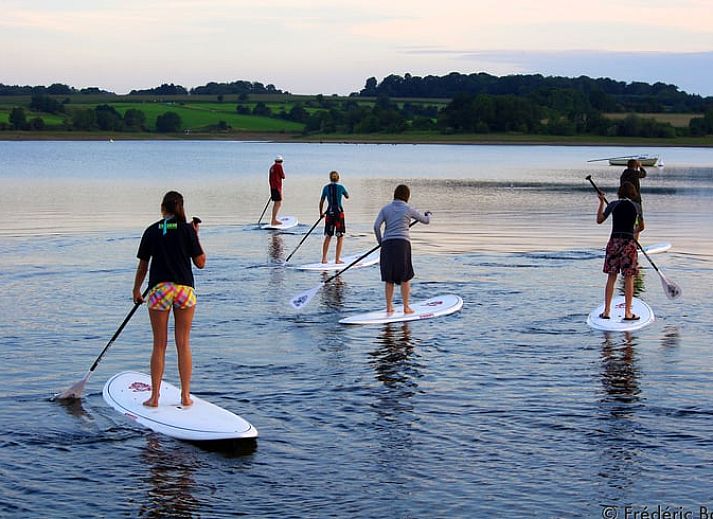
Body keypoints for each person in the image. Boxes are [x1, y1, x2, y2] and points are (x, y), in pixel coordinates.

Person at [132, 191, 206, 408]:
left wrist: (137, 289)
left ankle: (154, 397)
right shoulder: (187, 230)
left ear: (163, 207)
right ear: (181, 207)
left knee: (159, 344)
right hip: (184, 289)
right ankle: (185, 396)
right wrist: (196, 235)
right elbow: (200, 263)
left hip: (159, 289)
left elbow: (143, 265)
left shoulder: (152, 230)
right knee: (183, 343)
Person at [373, 184, 431, 315]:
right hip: (402, 245)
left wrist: (381, 242)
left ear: (395, 194)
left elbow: (376, 226)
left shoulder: (385, 209)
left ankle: (389, 307)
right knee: (405, 277)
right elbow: (426, 221)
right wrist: (428, 214)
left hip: (387, 245)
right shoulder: (408, 209)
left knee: (389, 278)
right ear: (407, 197)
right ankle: (406, 307)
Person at [596, 181, 645, 321]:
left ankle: (606, 311)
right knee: (629, 277)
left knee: (611, 276)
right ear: (633, 193)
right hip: (629, 243)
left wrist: (601, 202)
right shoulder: (636, 206)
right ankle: (628, 313)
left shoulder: (612, 204)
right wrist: (632, 232)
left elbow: (599, 220)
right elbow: (641, 226)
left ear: (620, 192)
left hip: (614, 243)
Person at [319, 170, 349, 264]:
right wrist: (343, 193)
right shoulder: (341, 187)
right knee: (339, 236)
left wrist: (321, 213)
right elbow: (347, 196)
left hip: (329, 213)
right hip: (339, 214)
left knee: (328, 236)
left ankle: (324, 259)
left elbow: (321, 201)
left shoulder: (326, 188)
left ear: (330, 178)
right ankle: (337, 259)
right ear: (338, 178)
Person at [620, 158, 647, 239]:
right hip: (635, 200)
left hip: (624, 200)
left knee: (626, 221)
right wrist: (640, 166)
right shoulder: (635, 173)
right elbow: (644, 174)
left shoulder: (624, 174)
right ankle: (634, 243)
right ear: (635, 166)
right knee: (637, 223)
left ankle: (625, 239)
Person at [269, 155, 286, 225]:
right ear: (281, 161)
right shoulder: (279, 166)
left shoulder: (272, 167)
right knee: (278, 203)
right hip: (277, 187)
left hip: (272, 187)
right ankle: (273, 220)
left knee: (276, 203)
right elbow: (283, 176)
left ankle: (273, 219)